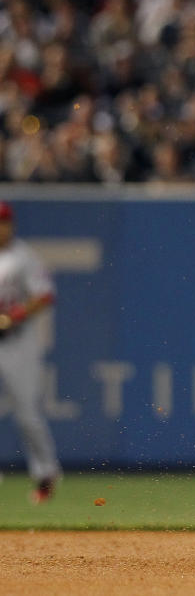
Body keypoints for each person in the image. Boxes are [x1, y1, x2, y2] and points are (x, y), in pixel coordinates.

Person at [0, 201, 60, 503]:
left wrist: (14, 315)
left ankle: (46, 474)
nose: (1, 228)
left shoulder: (22, 257)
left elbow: (45, 295)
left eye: (4, 222)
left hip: (17, 342)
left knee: (26, 413)